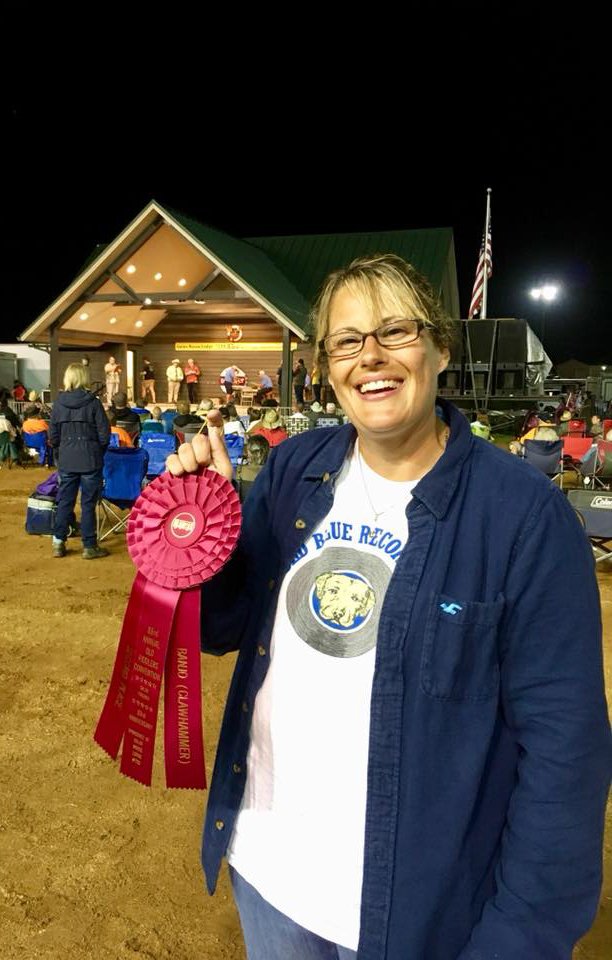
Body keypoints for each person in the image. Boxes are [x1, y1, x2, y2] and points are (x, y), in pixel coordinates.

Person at [165, 253, 611, 960]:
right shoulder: (295, 469)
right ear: (326, 366)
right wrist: (201, 536)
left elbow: (566, 752)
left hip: (416, 913)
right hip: (269, 871)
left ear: (440, 349)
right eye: (346, 340)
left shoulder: (523, 517)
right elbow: (223, 627)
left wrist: (520, 937)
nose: (370, 356)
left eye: (395, 331)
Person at [48, 362, 110, 559]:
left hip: (67, 459)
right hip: (90, 459)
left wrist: (61, 451)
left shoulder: (58, 404)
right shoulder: (94, 403)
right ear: (84, 378)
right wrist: (97, 451)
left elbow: (53, 436)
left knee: (65, 501)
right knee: (88, 504)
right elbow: (104, 435)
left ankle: (58, 543)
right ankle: (89, 546)